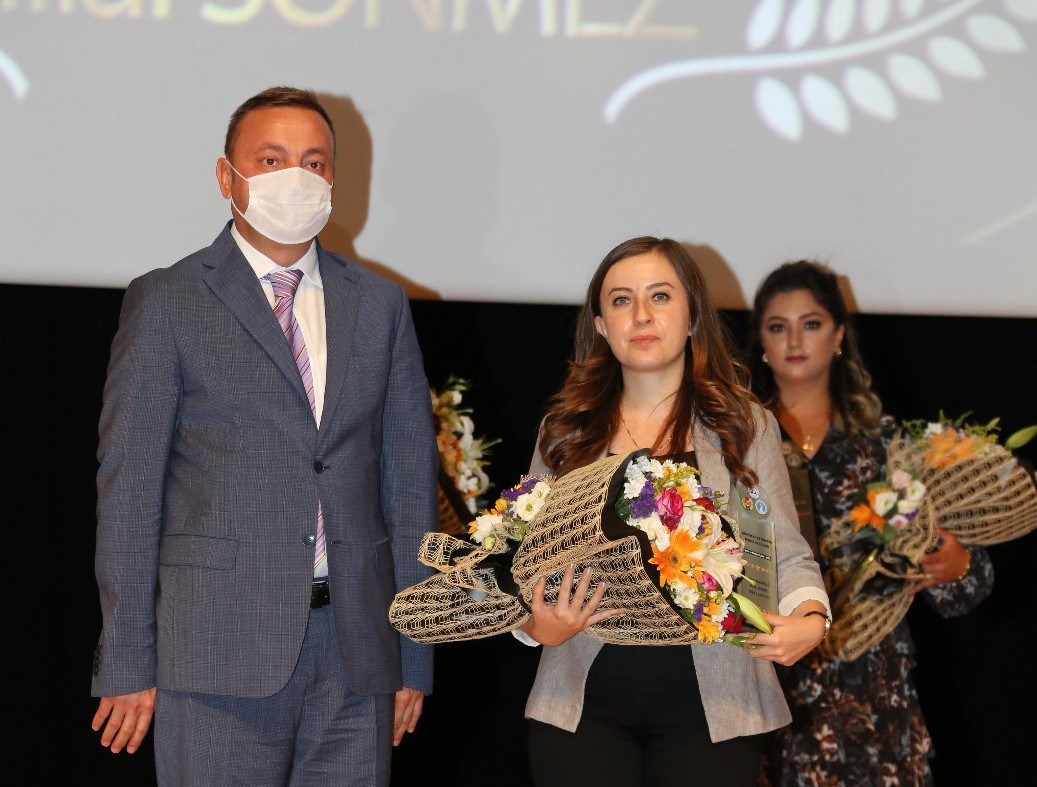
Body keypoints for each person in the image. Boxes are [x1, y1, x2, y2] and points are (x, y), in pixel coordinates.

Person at [89, 86, 439, 786]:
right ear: (228, 177)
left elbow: (408, 484)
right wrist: (126, 657)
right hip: (215, 648)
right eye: (272, 159)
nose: (296, 178)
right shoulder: (169, 299)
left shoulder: (379, 305)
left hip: (357, 651)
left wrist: (414, 652)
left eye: (314, 162)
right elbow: (130, 489)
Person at [515, 236, 832, 787]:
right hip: (580, 704)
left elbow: (786, 551)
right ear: (601, 325)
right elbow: (523, 561)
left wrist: (811, 619)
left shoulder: (744, 425)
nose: (641, 315)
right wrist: (531, 624)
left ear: (692, 317)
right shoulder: (565, 431)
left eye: (660, 296)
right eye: (621, 300)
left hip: (717, 707)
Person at [743, 259, 994, 786]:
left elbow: (964, 589)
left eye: (811, 324)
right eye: (778, 326)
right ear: (761, 341)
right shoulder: (734, 442)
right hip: (768, 691)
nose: (794, 340)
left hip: (874, 699)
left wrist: (957, 564)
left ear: (838, 335)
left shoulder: (887, 444)